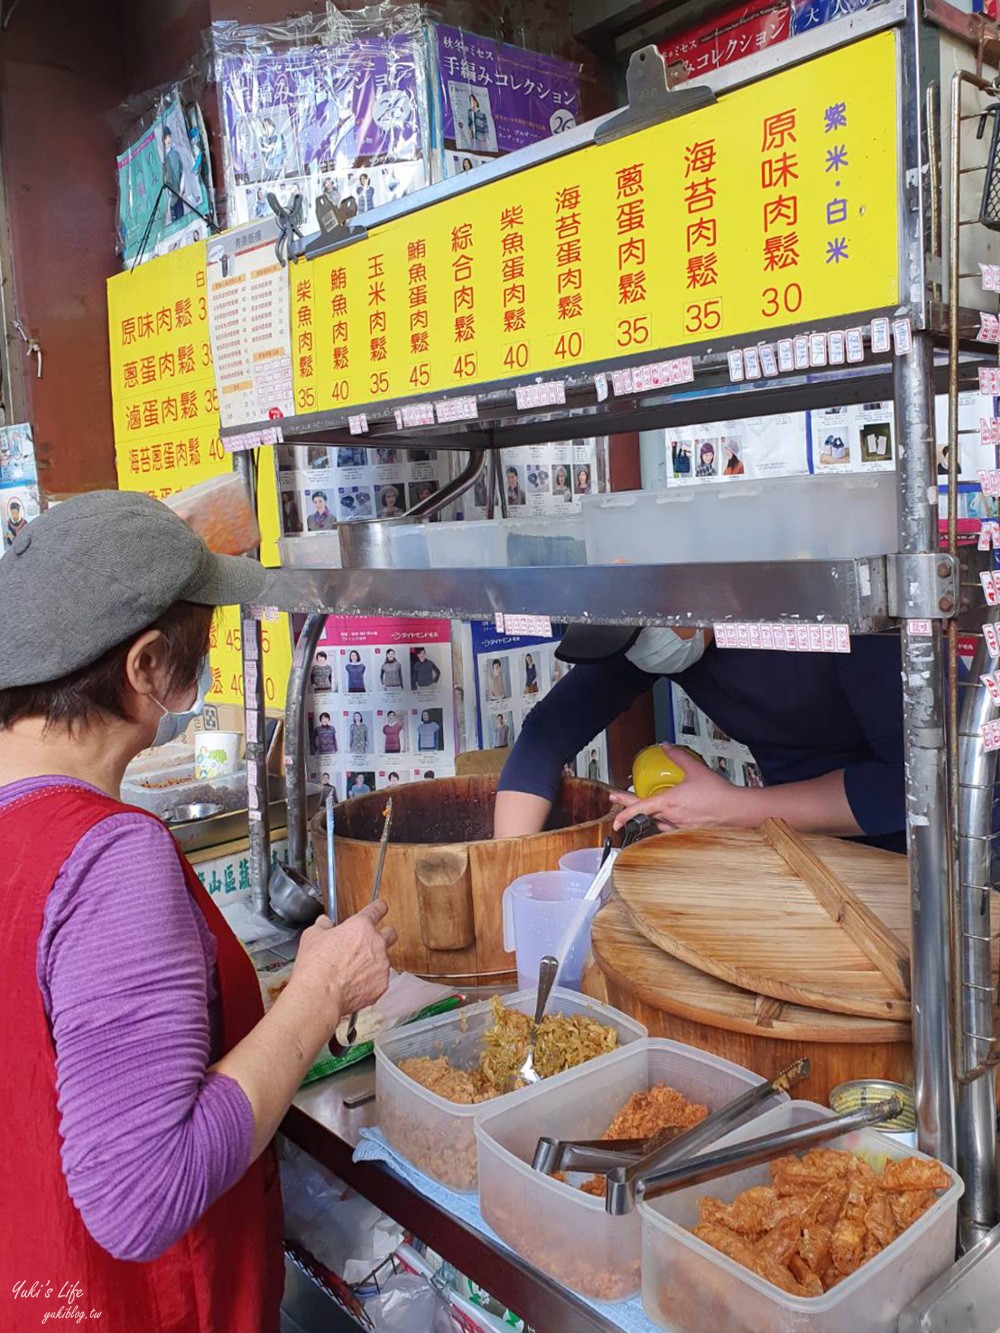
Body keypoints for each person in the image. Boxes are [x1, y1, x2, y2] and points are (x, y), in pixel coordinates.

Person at [0, 492, 394, 1330]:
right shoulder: (106, 857)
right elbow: (144, 1191)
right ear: (146, 667)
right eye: (205, 632)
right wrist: (318, 993)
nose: (210, 654)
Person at [494, 624, 905, 854]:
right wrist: (507, 870)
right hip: (807, 851)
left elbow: (905, 785)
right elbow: (546, 734)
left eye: (642, 633)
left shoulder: (837, 619)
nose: (642, 648)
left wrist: (734, 809)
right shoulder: (648, 636)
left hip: (920, 858)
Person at [162, 127, 185, 222]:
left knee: (181, 218)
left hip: (178, 194)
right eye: (165, 138)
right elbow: (164, 181)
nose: (167, 140)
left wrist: (181, 189)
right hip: (170, 197)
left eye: (168, 137)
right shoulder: (163, 158)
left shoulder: (176, 154)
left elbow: (182, 172)